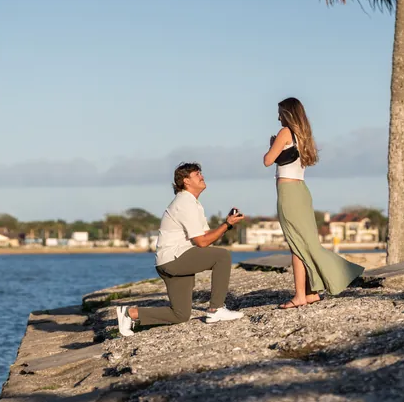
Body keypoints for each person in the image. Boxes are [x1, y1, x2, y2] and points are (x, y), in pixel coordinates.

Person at [116, 162, 246, 337]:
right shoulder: (185, 202)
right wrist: (226, 225)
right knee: (222, 256)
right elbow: (201, 242)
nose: (202, 176)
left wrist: (227, 224)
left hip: (170, 261)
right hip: (174, 259)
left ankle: (129, 314)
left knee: (181, 315)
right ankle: (216, 309)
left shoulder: (193, 203)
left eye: (201, 173)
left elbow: (206, 235)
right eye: (197, 174)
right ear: (186, 181)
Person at [263, 97, 364, 309]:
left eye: (280, 112)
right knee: (304, 243)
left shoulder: (285, 133)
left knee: (297, 245)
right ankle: (311, 293)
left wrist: (273, 145)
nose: (278, 116)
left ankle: (306, 292)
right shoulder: (303, 136)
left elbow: (267, 160)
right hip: (301, 191)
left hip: (289, 193)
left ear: (288, 114)